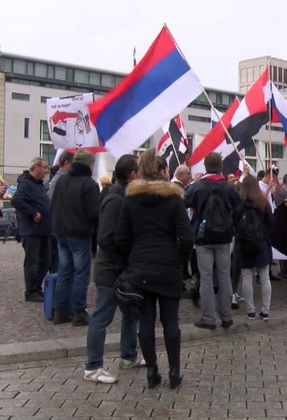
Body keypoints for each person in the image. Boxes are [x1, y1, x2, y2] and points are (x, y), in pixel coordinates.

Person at [115, 150, 193, 389]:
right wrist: (181, 263)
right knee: (171, 321)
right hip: (168, 265)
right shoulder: (173, 199)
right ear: (161, 171)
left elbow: (120, 237)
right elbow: (186, 237)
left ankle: (151, 370)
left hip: (140, 266)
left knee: (146, 321)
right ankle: (174, 372)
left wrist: (129, 263)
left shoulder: (130, 198)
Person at [83, 154, 144, 384]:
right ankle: (93, 367)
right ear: (132, 174)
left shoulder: (124, 196)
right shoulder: (115, 200)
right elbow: (105, 237)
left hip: (123, 268)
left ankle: (129, 356)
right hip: (110, 269)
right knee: (102, 317)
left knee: (131, 313)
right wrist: (129, 247)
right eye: (138, 171)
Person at [184, 152, 241, 330]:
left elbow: (184, 202)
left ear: (205, 167)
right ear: (220, 167)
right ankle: (226, 316)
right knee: (224, 276)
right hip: (224, 236)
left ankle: (208, 317)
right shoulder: (229, 187)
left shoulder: (197, 187)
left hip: (202, 237)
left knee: (206, 277)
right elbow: (237, 203)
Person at [50, 150, 101, 326]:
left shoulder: (62, 180)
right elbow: (94, 213)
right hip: (79, 234)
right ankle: (79, 312)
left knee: (65, 272)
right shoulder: (89, 184)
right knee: (81, 274)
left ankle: (60, 311)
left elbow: (53, 204)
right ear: (89, 165)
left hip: (61, 232)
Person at [11, 157, 52, 302]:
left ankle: (37, 287)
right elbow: (16, 200)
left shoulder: (39, 185)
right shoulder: (26, 184)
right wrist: (33, 212)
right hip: (32, 230)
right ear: (36, 168)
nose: (46, 170)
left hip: (43, 229)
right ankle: (30, 291)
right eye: (45, 167)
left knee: (45, 261)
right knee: (32, 262)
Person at [235, 176, 274, 320]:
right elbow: (271, 221)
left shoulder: (239, 203)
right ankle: (265, 310)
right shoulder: (262, 202)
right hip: (261, 242)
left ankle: (250, 310)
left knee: (247, 276)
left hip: (245, 243)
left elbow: (235, 222)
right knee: (264, 277)